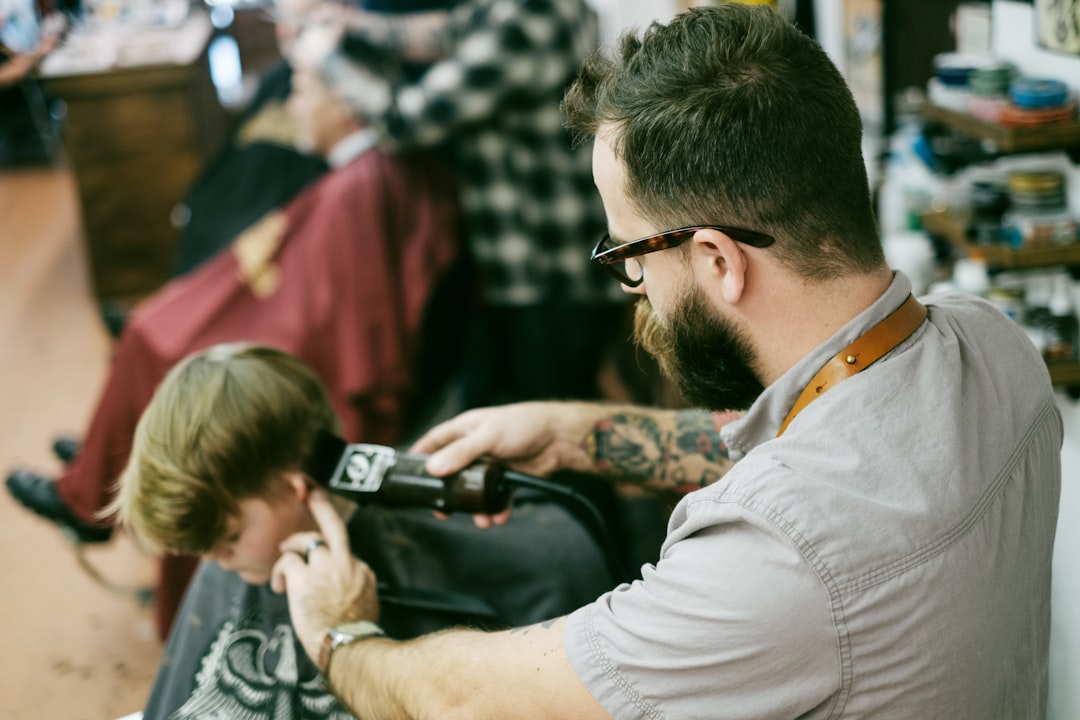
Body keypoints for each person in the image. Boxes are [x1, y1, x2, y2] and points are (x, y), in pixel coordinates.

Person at [270, 5, 1063, 718]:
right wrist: (574, 434)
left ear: (718, 260)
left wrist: (343, 636)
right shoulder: (995, 346)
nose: (633, 287)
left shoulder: (770, 563)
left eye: (629, 252)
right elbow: (833, 449)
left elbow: (462, 700)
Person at [6, 58, 461, 640]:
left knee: (155, 338)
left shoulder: (360, 188)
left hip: (303, 370)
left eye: (302, 91)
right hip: (293, 336)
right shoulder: (364, 177)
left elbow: (351, 341)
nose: (292, 105)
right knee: (157, 326)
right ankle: (108, 459)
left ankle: (93, 488)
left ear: (346, 103)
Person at [111, 342, 613, 718]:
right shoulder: (243, 556)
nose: (217, 561)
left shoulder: (538, 560)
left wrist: (347, 636)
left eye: (226, 539)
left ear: (297, 487)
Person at [291, 0, 631, 408]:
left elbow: (407, 119)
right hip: (522, 268)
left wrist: (326, 58)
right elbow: (445, 31)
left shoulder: (533, 11)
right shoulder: (503, 10)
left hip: (552, 268)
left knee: (552, 421)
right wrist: (347, 23)